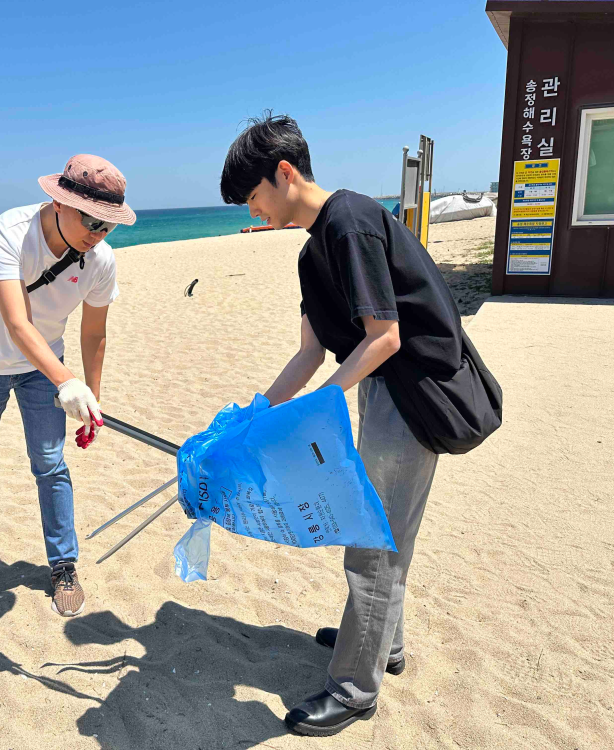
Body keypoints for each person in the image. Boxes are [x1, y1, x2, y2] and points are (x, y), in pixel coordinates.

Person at [220, 113, 459, 737]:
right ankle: (384, 643)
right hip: (380, 390)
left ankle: (354, 688)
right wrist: (257, 412)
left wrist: (319, 406)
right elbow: (310, 353)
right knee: (385, 528)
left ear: (285, 173)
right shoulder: (312, 251)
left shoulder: (349, 221)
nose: (253, 211)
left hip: (413, 394)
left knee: (372, 537)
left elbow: (386, 337)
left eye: (253, 196)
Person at [0, 154, 136, 619]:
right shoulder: (9, 231)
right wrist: (67, 382)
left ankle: (63, 564)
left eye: (108, 225)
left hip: (43, 370)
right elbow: (17, 322)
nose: (98, 233)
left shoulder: (100, 261)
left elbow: (94, 332)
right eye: (92, 220)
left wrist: (91, 397)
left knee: (49, 464)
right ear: (59, 202)